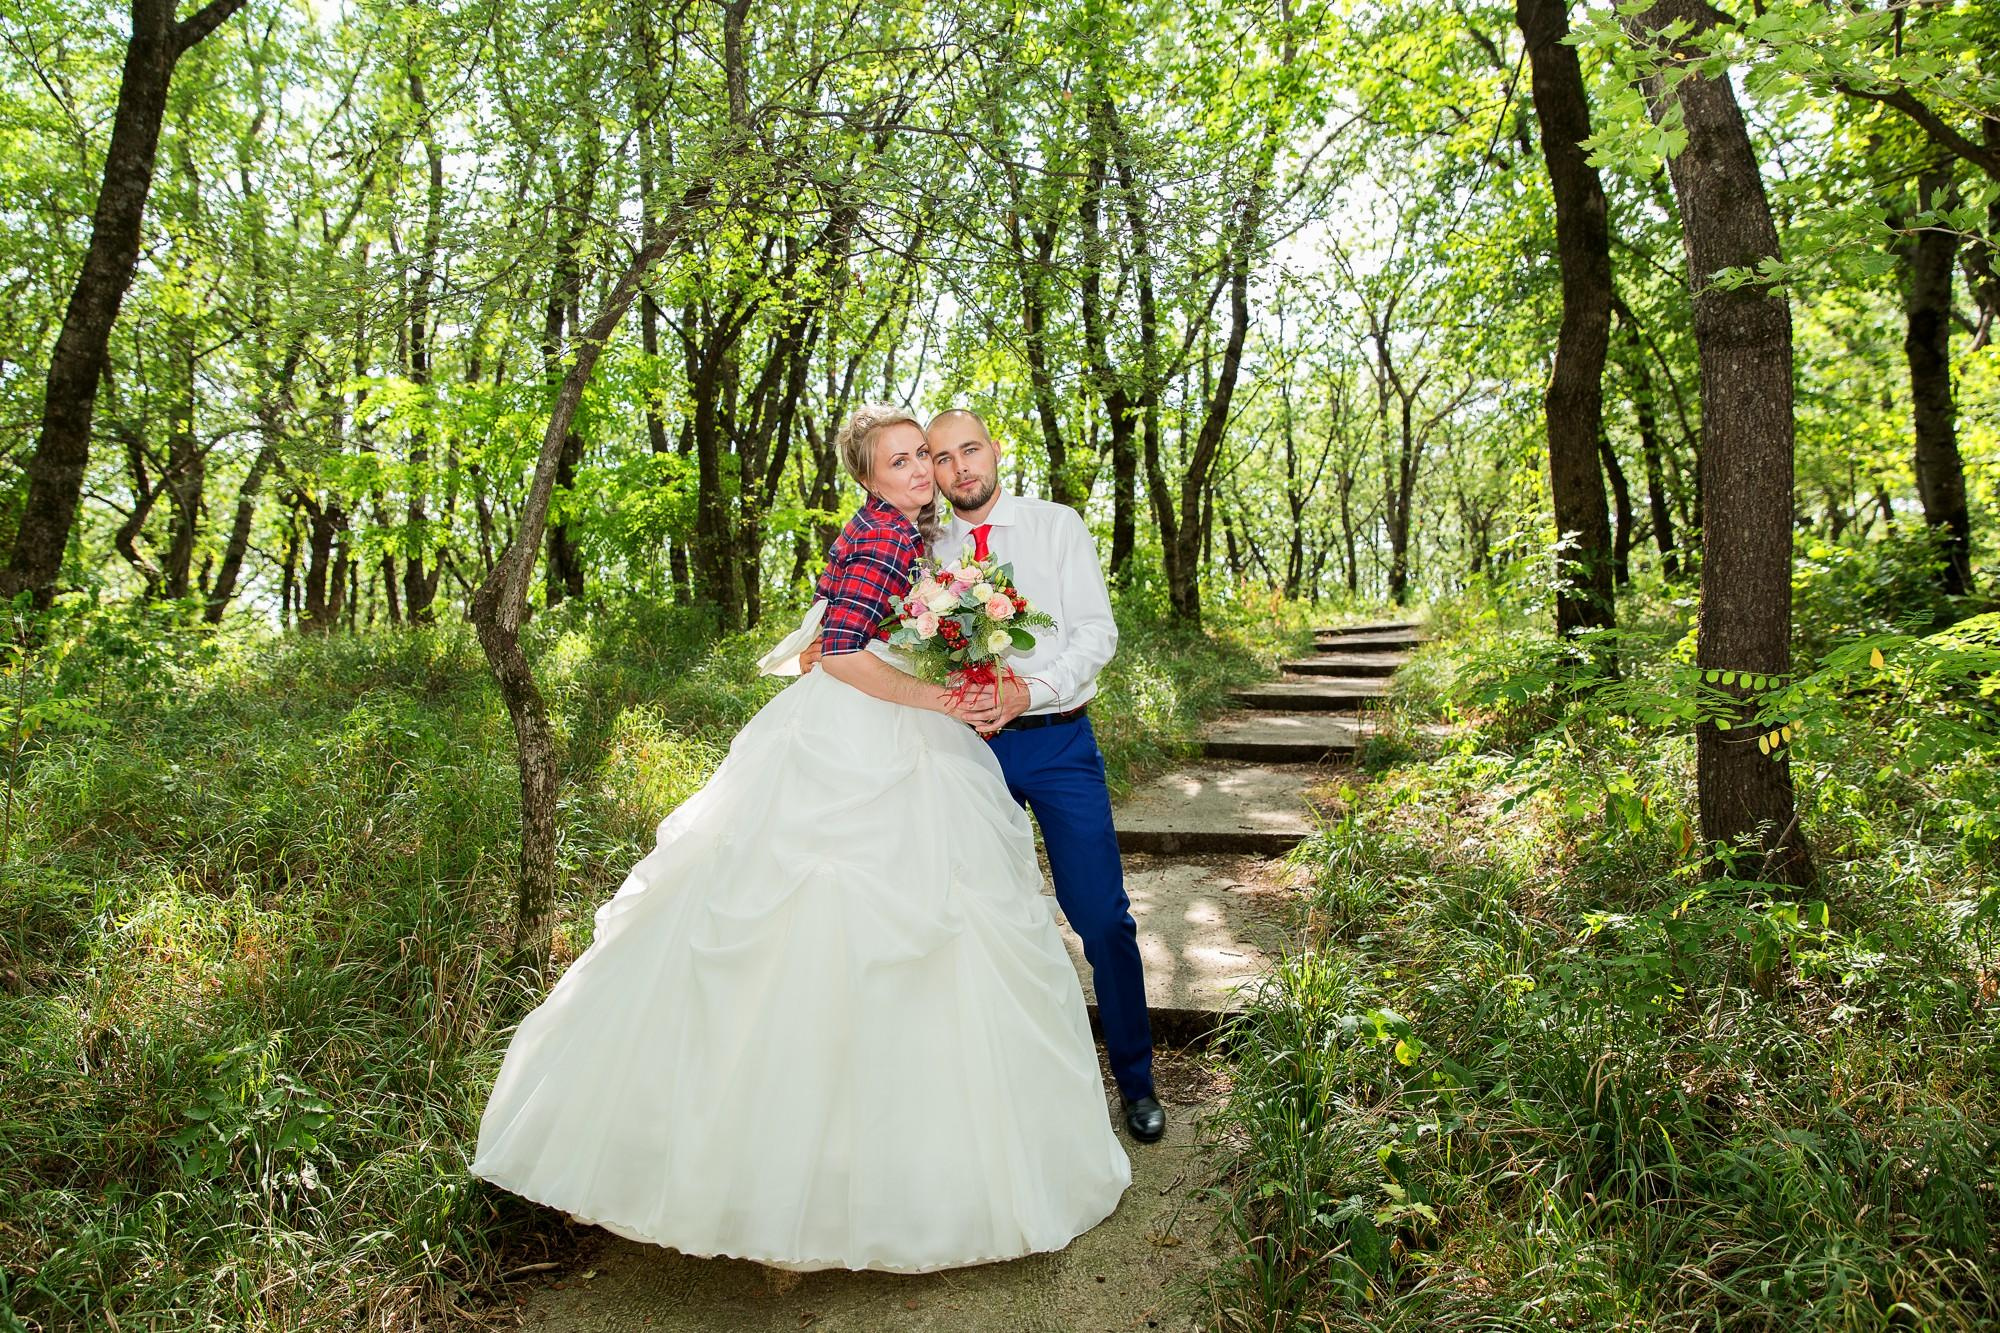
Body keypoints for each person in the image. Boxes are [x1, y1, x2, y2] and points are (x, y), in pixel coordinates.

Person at [469, 405, 1130, 1274]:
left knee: (948, 923)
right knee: (851, 923)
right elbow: (851, 642)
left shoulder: (918, 531)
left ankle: (851, 1156)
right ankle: (855, 1174)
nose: (923, 472)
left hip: (953, 727)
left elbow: (837, 626)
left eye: (925, 457)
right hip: (872, 734)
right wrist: (928, 694)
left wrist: (851, 648)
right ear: (869, 478)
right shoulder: (893, 535)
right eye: (902, 461)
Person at [801, 408, 1164, 1144]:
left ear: (995, 450)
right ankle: (1009, 1107)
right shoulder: (916, 537)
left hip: (1057, 741)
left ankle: (1136, 1080)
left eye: (970, 449)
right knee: (979, 924)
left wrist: (1030, 690)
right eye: (939, 456)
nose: (958, 466)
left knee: (1100, 915)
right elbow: (855, 604)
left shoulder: (1056, 525)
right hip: (958, 749)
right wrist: (816, 639)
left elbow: (1097, 633)